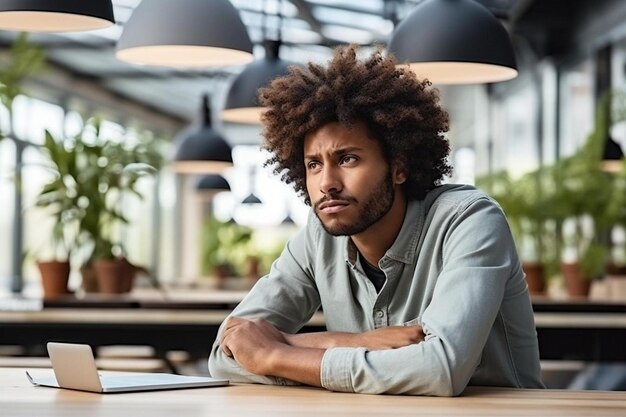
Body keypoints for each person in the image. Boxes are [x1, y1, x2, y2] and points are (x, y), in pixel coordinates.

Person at [208, 45, 544, 396]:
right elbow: (226, 354)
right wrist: (353, 341)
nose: (327, 184)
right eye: (314, 165)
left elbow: (441, 368)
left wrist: (276, 352)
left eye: (348, 159)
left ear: (398, 166)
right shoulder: (318, 238)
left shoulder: (468, 220)